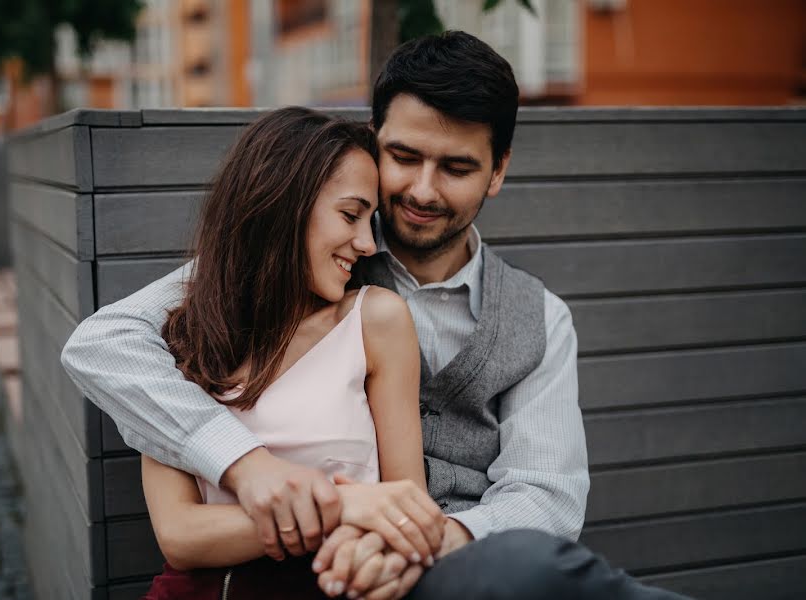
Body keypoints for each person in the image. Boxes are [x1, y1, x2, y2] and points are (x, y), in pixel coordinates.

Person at [63, 31, 691, 600]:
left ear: (498, 172)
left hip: (461, 557)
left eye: (457, 167)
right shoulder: (305, 262)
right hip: (324, 566)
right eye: (406, 156)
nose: (422, 190)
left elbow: (546, 496)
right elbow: (104, 342)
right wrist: (245, 465)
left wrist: (423, 538)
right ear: (374, 140)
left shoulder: (541, 319)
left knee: (532, 567)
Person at [135, 107, 440, 598]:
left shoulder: (375, 321)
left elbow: (406, 505)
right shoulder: (180, 339)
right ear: (283, 205)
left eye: (372, 221)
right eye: (350, 214)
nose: (366, 243)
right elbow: (180, 537)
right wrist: (343, 508)